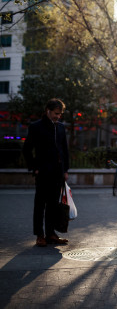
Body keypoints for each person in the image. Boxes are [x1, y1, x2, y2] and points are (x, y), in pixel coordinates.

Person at [23, 99, 70, 247]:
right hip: (43, 172)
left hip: (57, 173)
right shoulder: (35, 127)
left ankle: (51, 234)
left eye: (60, 114)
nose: (58, 116)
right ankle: (39, 235)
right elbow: (26, 149)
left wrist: (65, 170)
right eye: (56, 113)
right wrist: (34, 168)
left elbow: (65, 151)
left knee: (53, 205)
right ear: (48, 111)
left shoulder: (61, 127)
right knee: (40, 205)